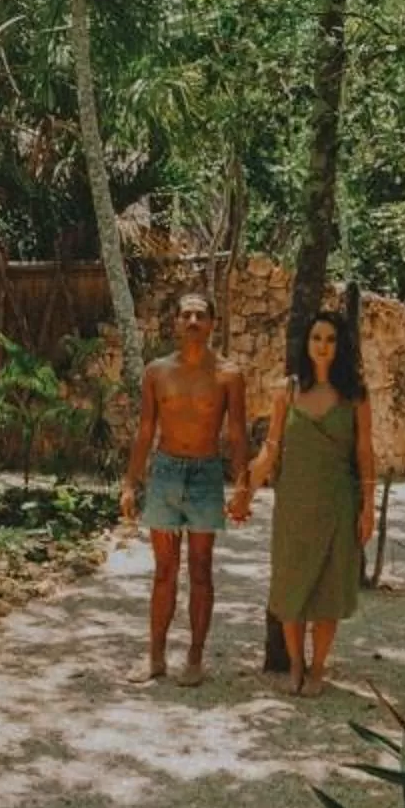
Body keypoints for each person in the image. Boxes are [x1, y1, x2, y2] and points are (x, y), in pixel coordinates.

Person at [120, 290, 253, 686]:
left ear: (212, 323)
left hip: (206, 473)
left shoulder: (229, 375)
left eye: (200, 316)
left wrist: (242, 485)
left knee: (200, 569)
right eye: (186, 316)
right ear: (175, 323)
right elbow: (146, 431)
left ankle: (194, 656)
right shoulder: (157, 372)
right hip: (165, 471)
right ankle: (155, 656)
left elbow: (236, 434)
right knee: (164, 569)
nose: (193, 322)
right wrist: (131, 481)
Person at [246, 309, 376, 696]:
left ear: (341, 347)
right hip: (294, 504)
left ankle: (319, 669)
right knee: (291, 588)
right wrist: (244, 491)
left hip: (338, 503)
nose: (323, 346)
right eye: (316, 338)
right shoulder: (287, 390)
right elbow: (271, 449)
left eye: (331, 340)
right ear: (307, 343)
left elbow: (366, 451)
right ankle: (296, 668)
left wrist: (369, 507)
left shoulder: (355, 394)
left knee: (328, 592)